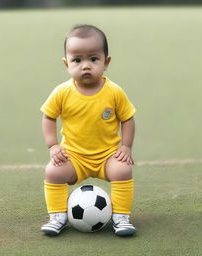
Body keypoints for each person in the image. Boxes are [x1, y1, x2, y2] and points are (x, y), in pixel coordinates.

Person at [40, 24, 136, 237]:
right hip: (74, 156)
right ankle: (57, 215)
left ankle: (121, 216)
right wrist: (53, 145)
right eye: (77, 60)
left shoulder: (114, 92)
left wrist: (126, 147)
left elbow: (127, 119)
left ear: (106, 62)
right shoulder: (62, 92)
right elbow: (48, 117)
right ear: (67, 64)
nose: (85, 66)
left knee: (123, 170)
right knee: (53, 171)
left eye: (93, 59)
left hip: (107, 155)